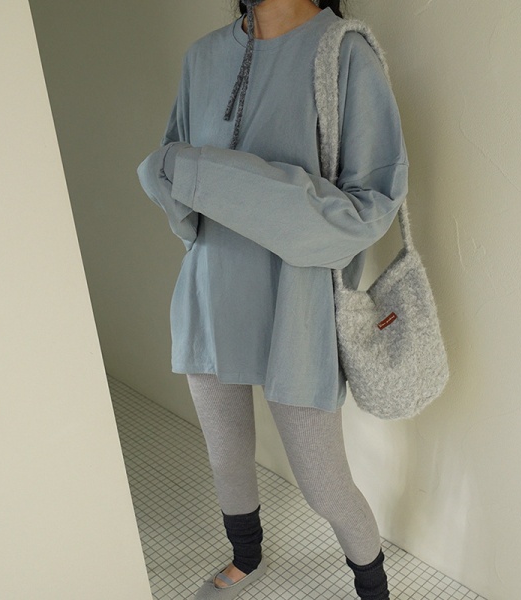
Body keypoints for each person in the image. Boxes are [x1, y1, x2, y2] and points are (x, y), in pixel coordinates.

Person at [137, 0, 409, 598]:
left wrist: (215, 178)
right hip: (209, 290)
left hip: (297, 302)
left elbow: (370, 207)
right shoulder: (203, 57)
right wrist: (189, 180)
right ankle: (246, 555)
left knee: (323, 482)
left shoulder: (343, 52)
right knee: (226, 456)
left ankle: (373, 587)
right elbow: (171, 179)